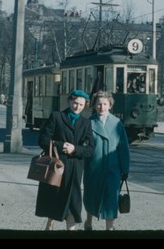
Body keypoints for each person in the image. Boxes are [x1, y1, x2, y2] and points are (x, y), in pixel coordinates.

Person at [35, 90, 94, 231]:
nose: (77, 107)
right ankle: (50, 223)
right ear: (69, 101)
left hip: (75, 169)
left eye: (81, 104)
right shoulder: (57, 116)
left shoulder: (86, 123)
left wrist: (75, 149)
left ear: (85, 105)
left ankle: (70, 229)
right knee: (54, 196)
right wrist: (61, 146)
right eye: (75, 103)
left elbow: (90, 149)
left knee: (73, 200)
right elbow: (43, 140)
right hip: (56, 166)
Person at [83, 91, 130, 231]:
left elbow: (123, 147)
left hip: (112, 168)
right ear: (94, 105)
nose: (101, 107)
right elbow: (83, 145)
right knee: (92, 196)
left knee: (111, 198)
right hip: (93, 167)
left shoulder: (117, 124)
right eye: (98, 104)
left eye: (104, 104)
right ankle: (89, 221)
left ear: (110, 105)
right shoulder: (88, 123)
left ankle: (109, 228)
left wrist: (125, 169)